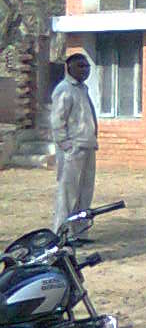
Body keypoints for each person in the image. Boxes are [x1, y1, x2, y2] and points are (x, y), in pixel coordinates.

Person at [49, 51, 98, 232]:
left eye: (87, 67)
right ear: (69, 68)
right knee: (68, 194)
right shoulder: (64, 89)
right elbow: (57, 121)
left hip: (88, 146)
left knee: (85, 193)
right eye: (80, 66)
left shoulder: (82, 89)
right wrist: (66, 145)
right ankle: (62, 233)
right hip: (73, 149)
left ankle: (79, 232)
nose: (85, 70)